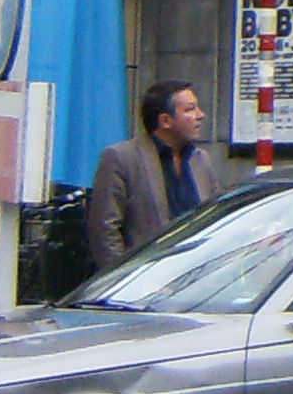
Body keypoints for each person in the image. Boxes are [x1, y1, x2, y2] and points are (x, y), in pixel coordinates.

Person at [86, 81, 211, 270]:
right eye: (190, 110)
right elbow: (105, 230)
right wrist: (122, 279)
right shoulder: (122, 158)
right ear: (165, 121)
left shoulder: (200, 160)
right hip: (143, 278)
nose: (200, 116)